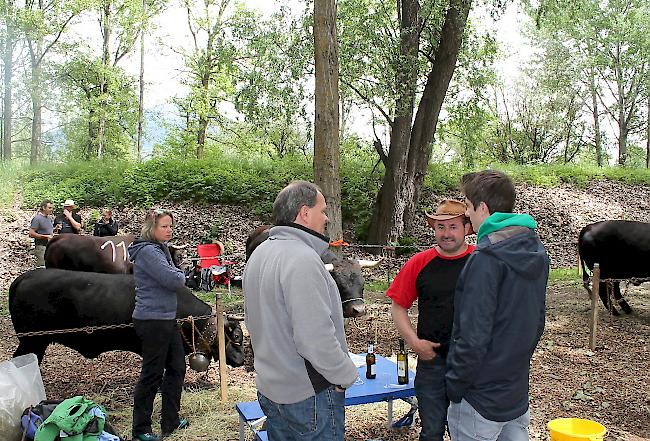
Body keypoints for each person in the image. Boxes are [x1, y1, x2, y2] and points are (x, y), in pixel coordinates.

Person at [243, 180, 359, 441]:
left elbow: (252, 323)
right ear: (305, 213)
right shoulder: (303, 260)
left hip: (271, 391)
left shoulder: (259, 255)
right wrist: (345, 376)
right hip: (308, 395)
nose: (326, 218)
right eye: (323, 210)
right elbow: (314, 339)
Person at [445, 170, 549, 441]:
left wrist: (455, 386)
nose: (466, 215)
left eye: (467, 206)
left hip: (480, 400)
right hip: (515, 392)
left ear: (482, 208)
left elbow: (472, 336)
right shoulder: (535, 250)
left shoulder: (486, 259)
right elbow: (537, 322)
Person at [386, 199, 475, 441]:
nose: (446, 234)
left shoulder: (481, 261)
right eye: (440, 227)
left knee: (469, 433)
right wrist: (414, 342)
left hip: (472, 363)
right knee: (432, 431)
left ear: (467, 228)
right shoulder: (419, 262)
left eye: (453, 227)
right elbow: (398, 305)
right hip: (432, 360)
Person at [128, 209, 189, 441]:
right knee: (152, 374)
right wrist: (179, 272)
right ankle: (141, 429)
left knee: (177, 368)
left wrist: (176, 271)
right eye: (164, 226)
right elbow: (173, 280)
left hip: (165, 317)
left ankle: (170, 421)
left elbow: (172, 277)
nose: (169, 230)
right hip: (152, 319)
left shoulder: (160, 249)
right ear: (151, 228)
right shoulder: (148, 252)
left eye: (171, 226)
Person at [28, 199, 54, 267]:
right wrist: (45, 236)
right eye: (49, 208)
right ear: (43, 208)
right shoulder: (37, 219)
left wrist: (56, 229)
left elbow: (48, 231)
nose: (51, 209)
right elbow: (31, 233)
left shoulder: (49, 218)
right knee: (41, 266)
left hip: (50, 246)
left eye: (52, 208)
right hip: (41, 246)